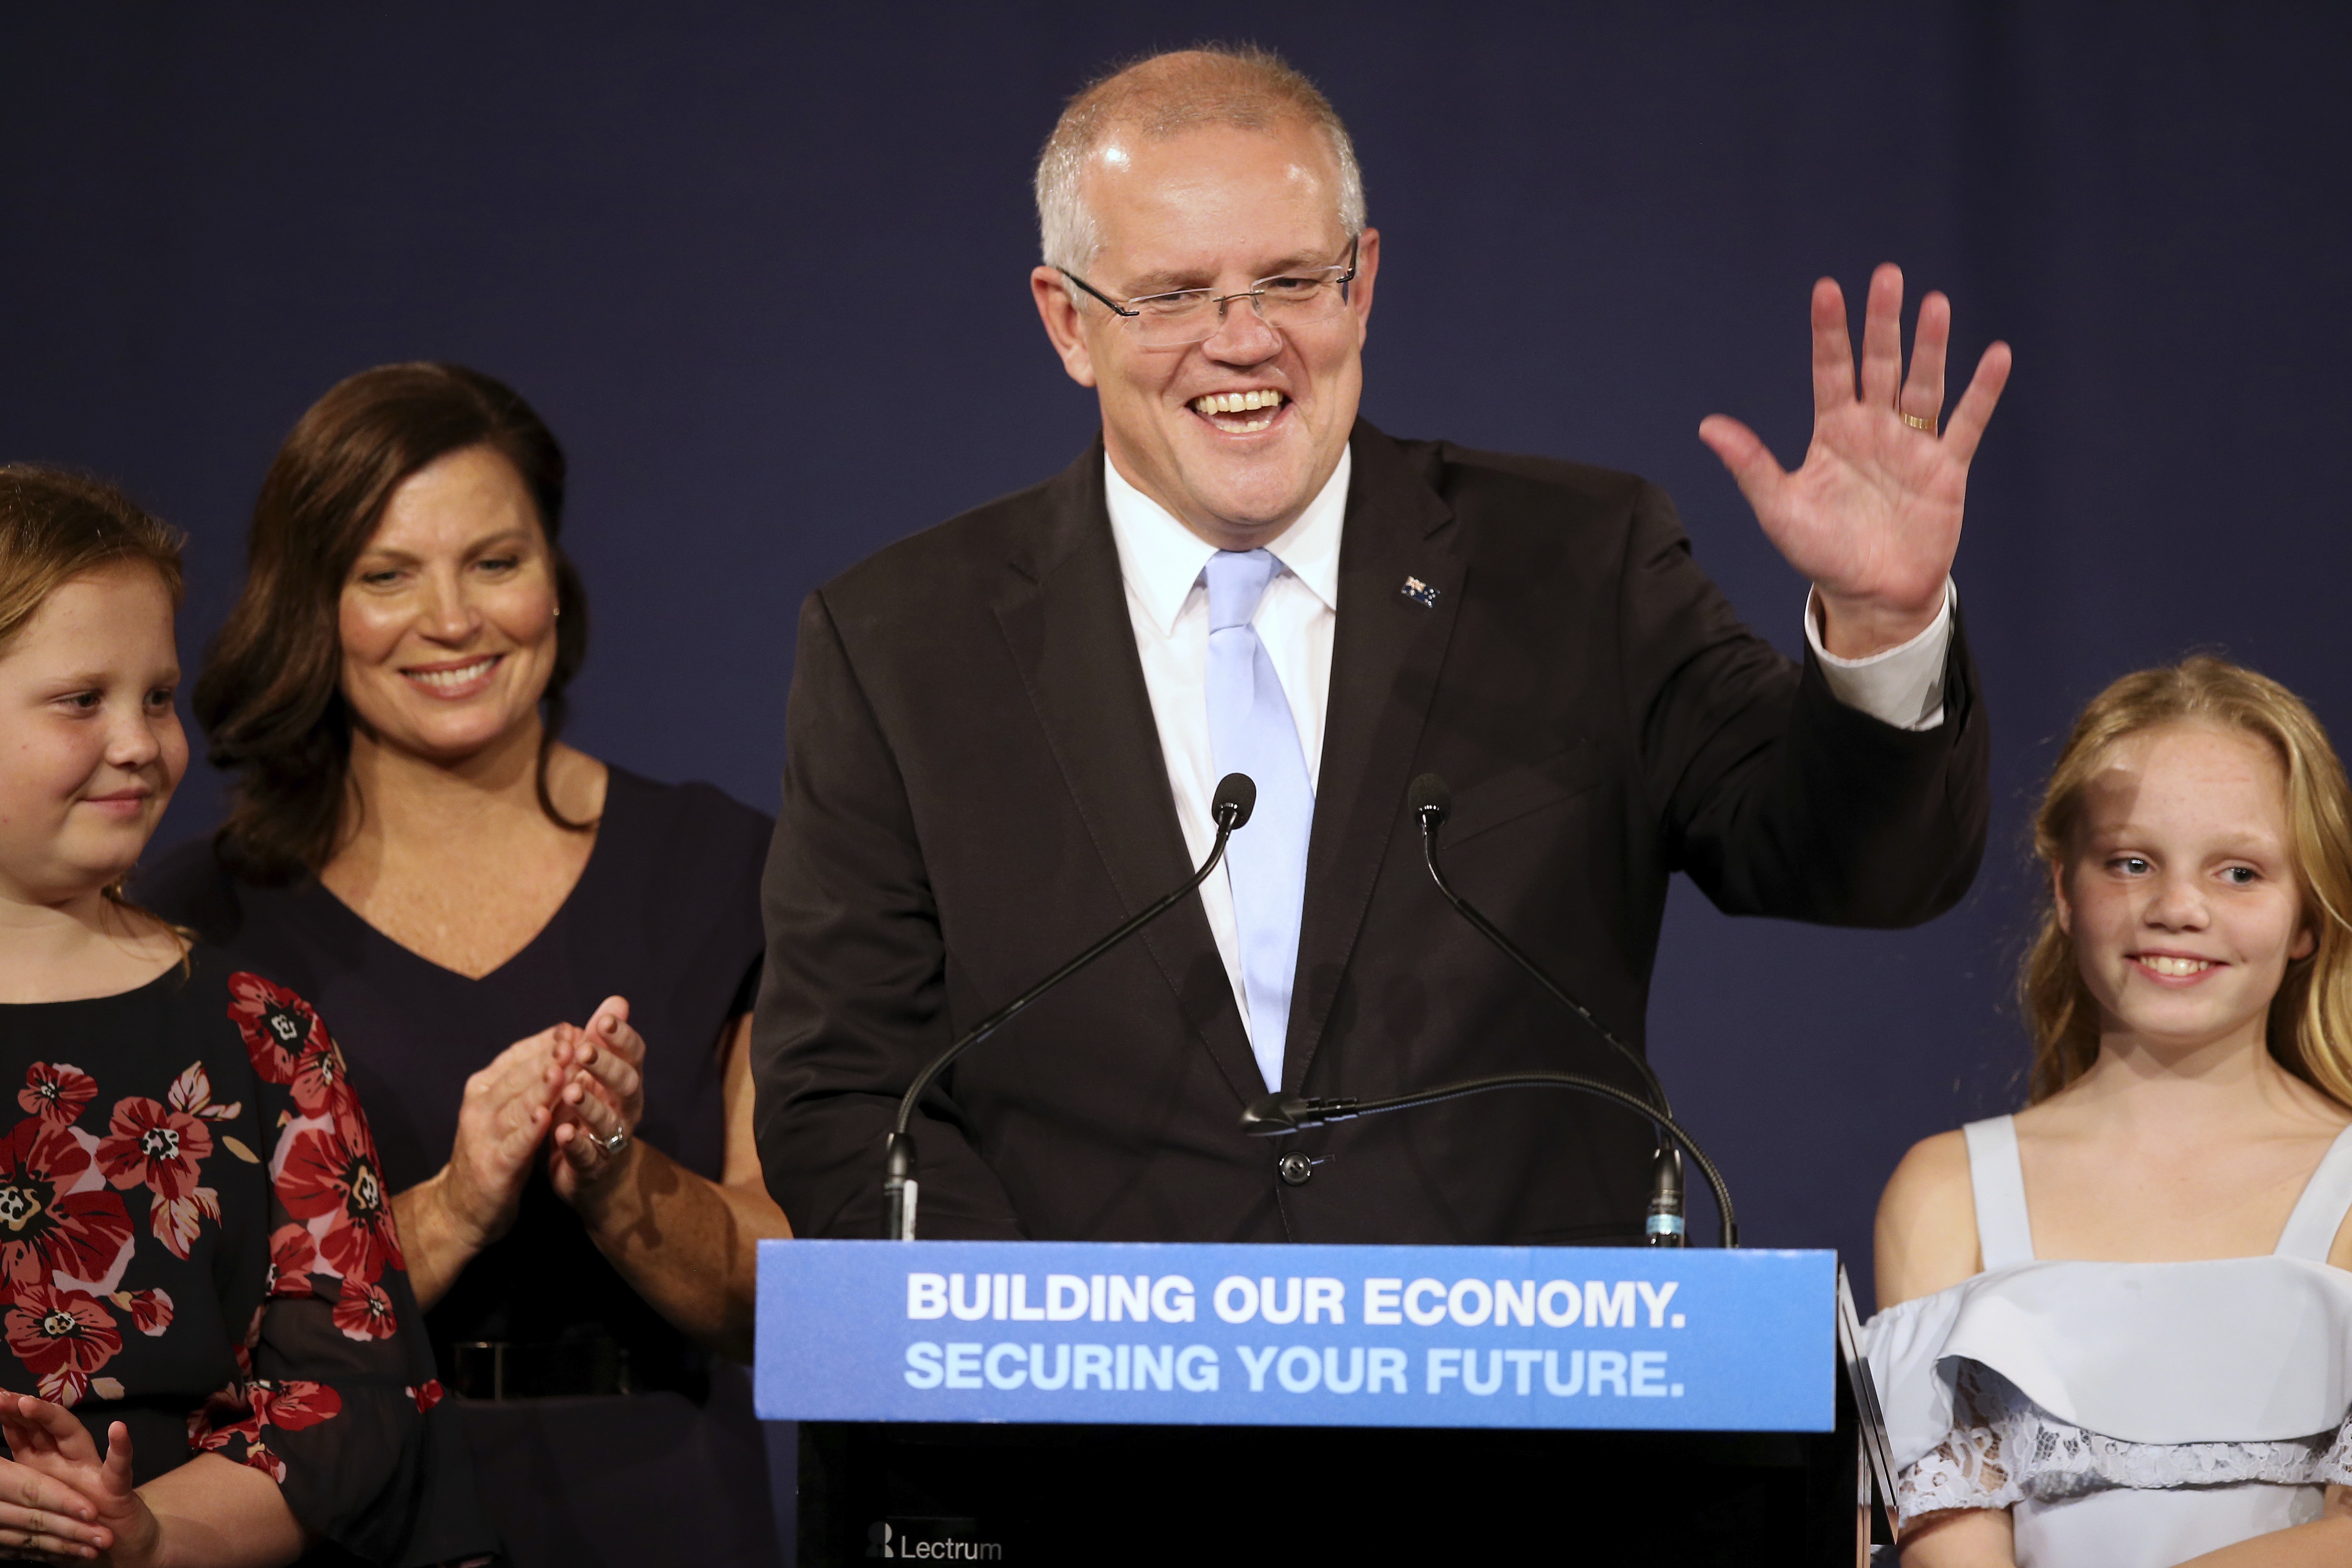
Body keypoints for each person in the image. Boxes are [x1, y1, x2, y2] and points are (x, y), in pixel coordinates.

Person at [754, 44, 2011, 1242]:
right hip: (1077, 1447)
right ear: (1069, 323)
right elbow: (844, 1088)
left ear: (1361, 280)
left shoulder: (1574, 565)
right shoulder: (904, 642)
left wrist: (1884, 626)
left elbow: (1859, 867)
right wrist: (1066, 1351)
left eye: (1292, 281)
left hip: (1508, 1429)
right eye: (1173, 294)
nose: (1242, 339)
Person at [141, 364, 791, 1568]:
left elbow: (795, 1298)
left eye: (496, 562)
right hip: (340, 1515)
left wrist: (618, 1176)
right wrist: (448, 1207)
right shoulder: (194, 923)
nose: (452, 620)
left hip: (666, 1510)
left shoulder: (728, 869)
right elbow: (174, 1337)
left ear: (556, 582)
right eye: (386, 575)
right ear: (312, 604)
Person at [0, 465, 492, 1565]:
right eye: (83, 700)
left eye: (160, 697)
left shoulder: (261, 1035)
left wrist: (149, 1533)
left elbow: (350, 1394)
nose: (140, 742)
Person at [1865, 657, 2352, 1566]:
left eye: (2240, 872)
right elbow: (1952, 1552)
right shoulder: (1945, 1193)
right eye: (2131, 863)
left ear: (2306, 920)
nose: (2177, 907)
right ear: (2064, 890)